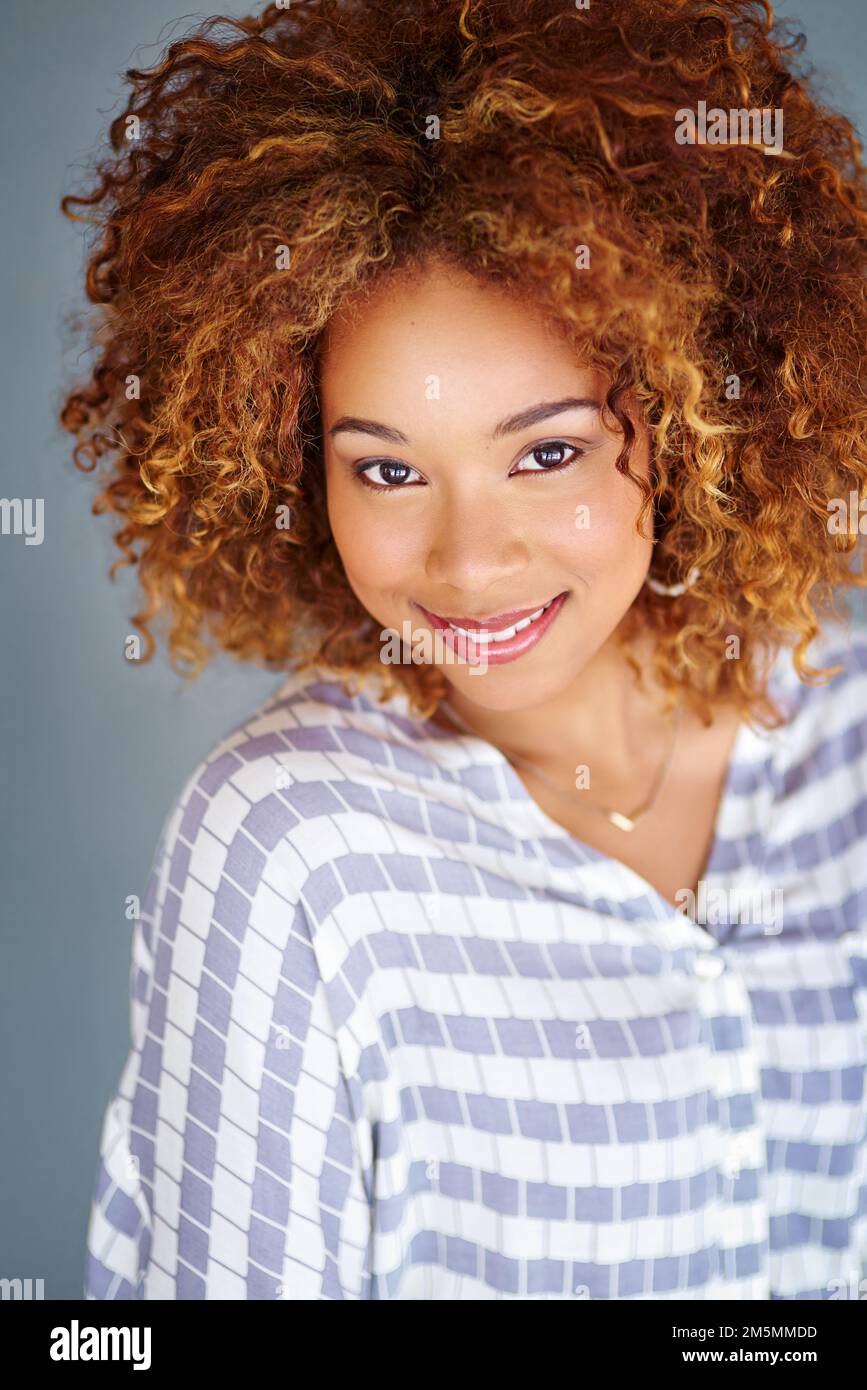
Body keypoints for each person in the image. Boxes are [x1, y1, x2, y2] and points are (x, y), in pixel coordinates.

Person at [63, 0, 867, 1299]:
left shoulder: (850, 730)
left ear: (696, 411)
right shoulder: (289, 851)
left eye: (547, 451)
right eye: (385, 468)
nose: (466, 561)